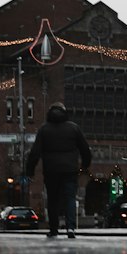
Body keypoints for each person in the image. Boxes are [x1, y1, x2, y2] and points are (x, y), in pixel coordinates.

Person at [24, 101, 91, 240]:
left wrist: (30, 170)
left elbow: (35, 152)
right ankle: (71, 227)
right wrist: (85, 165)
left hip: (51, 170)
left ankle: (53, 229)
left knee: (52, 199)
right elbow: (85, 149)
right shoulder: (73, 128)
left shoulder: (44, 129)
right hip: (70, 169)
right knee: (70, 198)